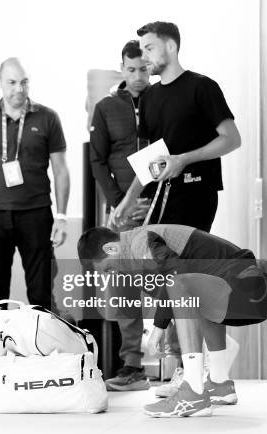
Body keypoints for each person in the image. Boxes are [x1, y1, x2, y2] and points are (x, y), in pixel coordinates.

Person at [112, 21, 243, 398]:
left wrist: (186, 159)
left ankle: (195, 375)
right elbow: (151, 159)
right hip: (164, 197)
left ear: (170, 47)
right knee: (173, 282)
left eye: (150, 48)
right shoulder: (151, 99)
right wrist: (127, 199)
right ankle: (207, 371)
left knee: (183, 280)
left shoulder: (203, 87)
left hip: (198, 194)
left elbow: (231, 138)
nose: (145, 56)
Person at [78, 225, 267, 417]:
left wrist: (158, 328)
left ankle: (193, 394)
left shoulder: (141, 243)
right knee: (196, 293)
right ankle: (219, 383)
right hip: (252, 294)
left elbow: (175, 279)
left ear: (111, 248)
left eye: (109, 268)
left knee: (181, 284)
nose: (113, 275)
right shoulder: (139, 246)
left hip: (249, 291)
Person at [0, 58, 70, 309]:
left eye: (24, 82)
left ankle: (42, 344)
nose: (18, 89)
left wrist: (62, 217)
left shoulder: (47, 118)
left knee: (41, 291)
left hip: (36, 214)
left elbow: (61, 170)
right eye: (12, 83)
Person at [89, 40, 151, 392]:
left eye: (144, 68)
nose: (139, 76)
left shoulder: (162, 101)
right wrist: (118, 203)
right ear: (122, 69)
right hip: (122, 214)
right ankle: (132, 365)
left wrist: (146, 200)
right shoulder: (106, 107)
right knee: (123, 285)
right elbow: (98, 160)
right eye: (132, 69)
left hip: (160, 206)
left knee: (163, 284)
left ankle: (177, 359)